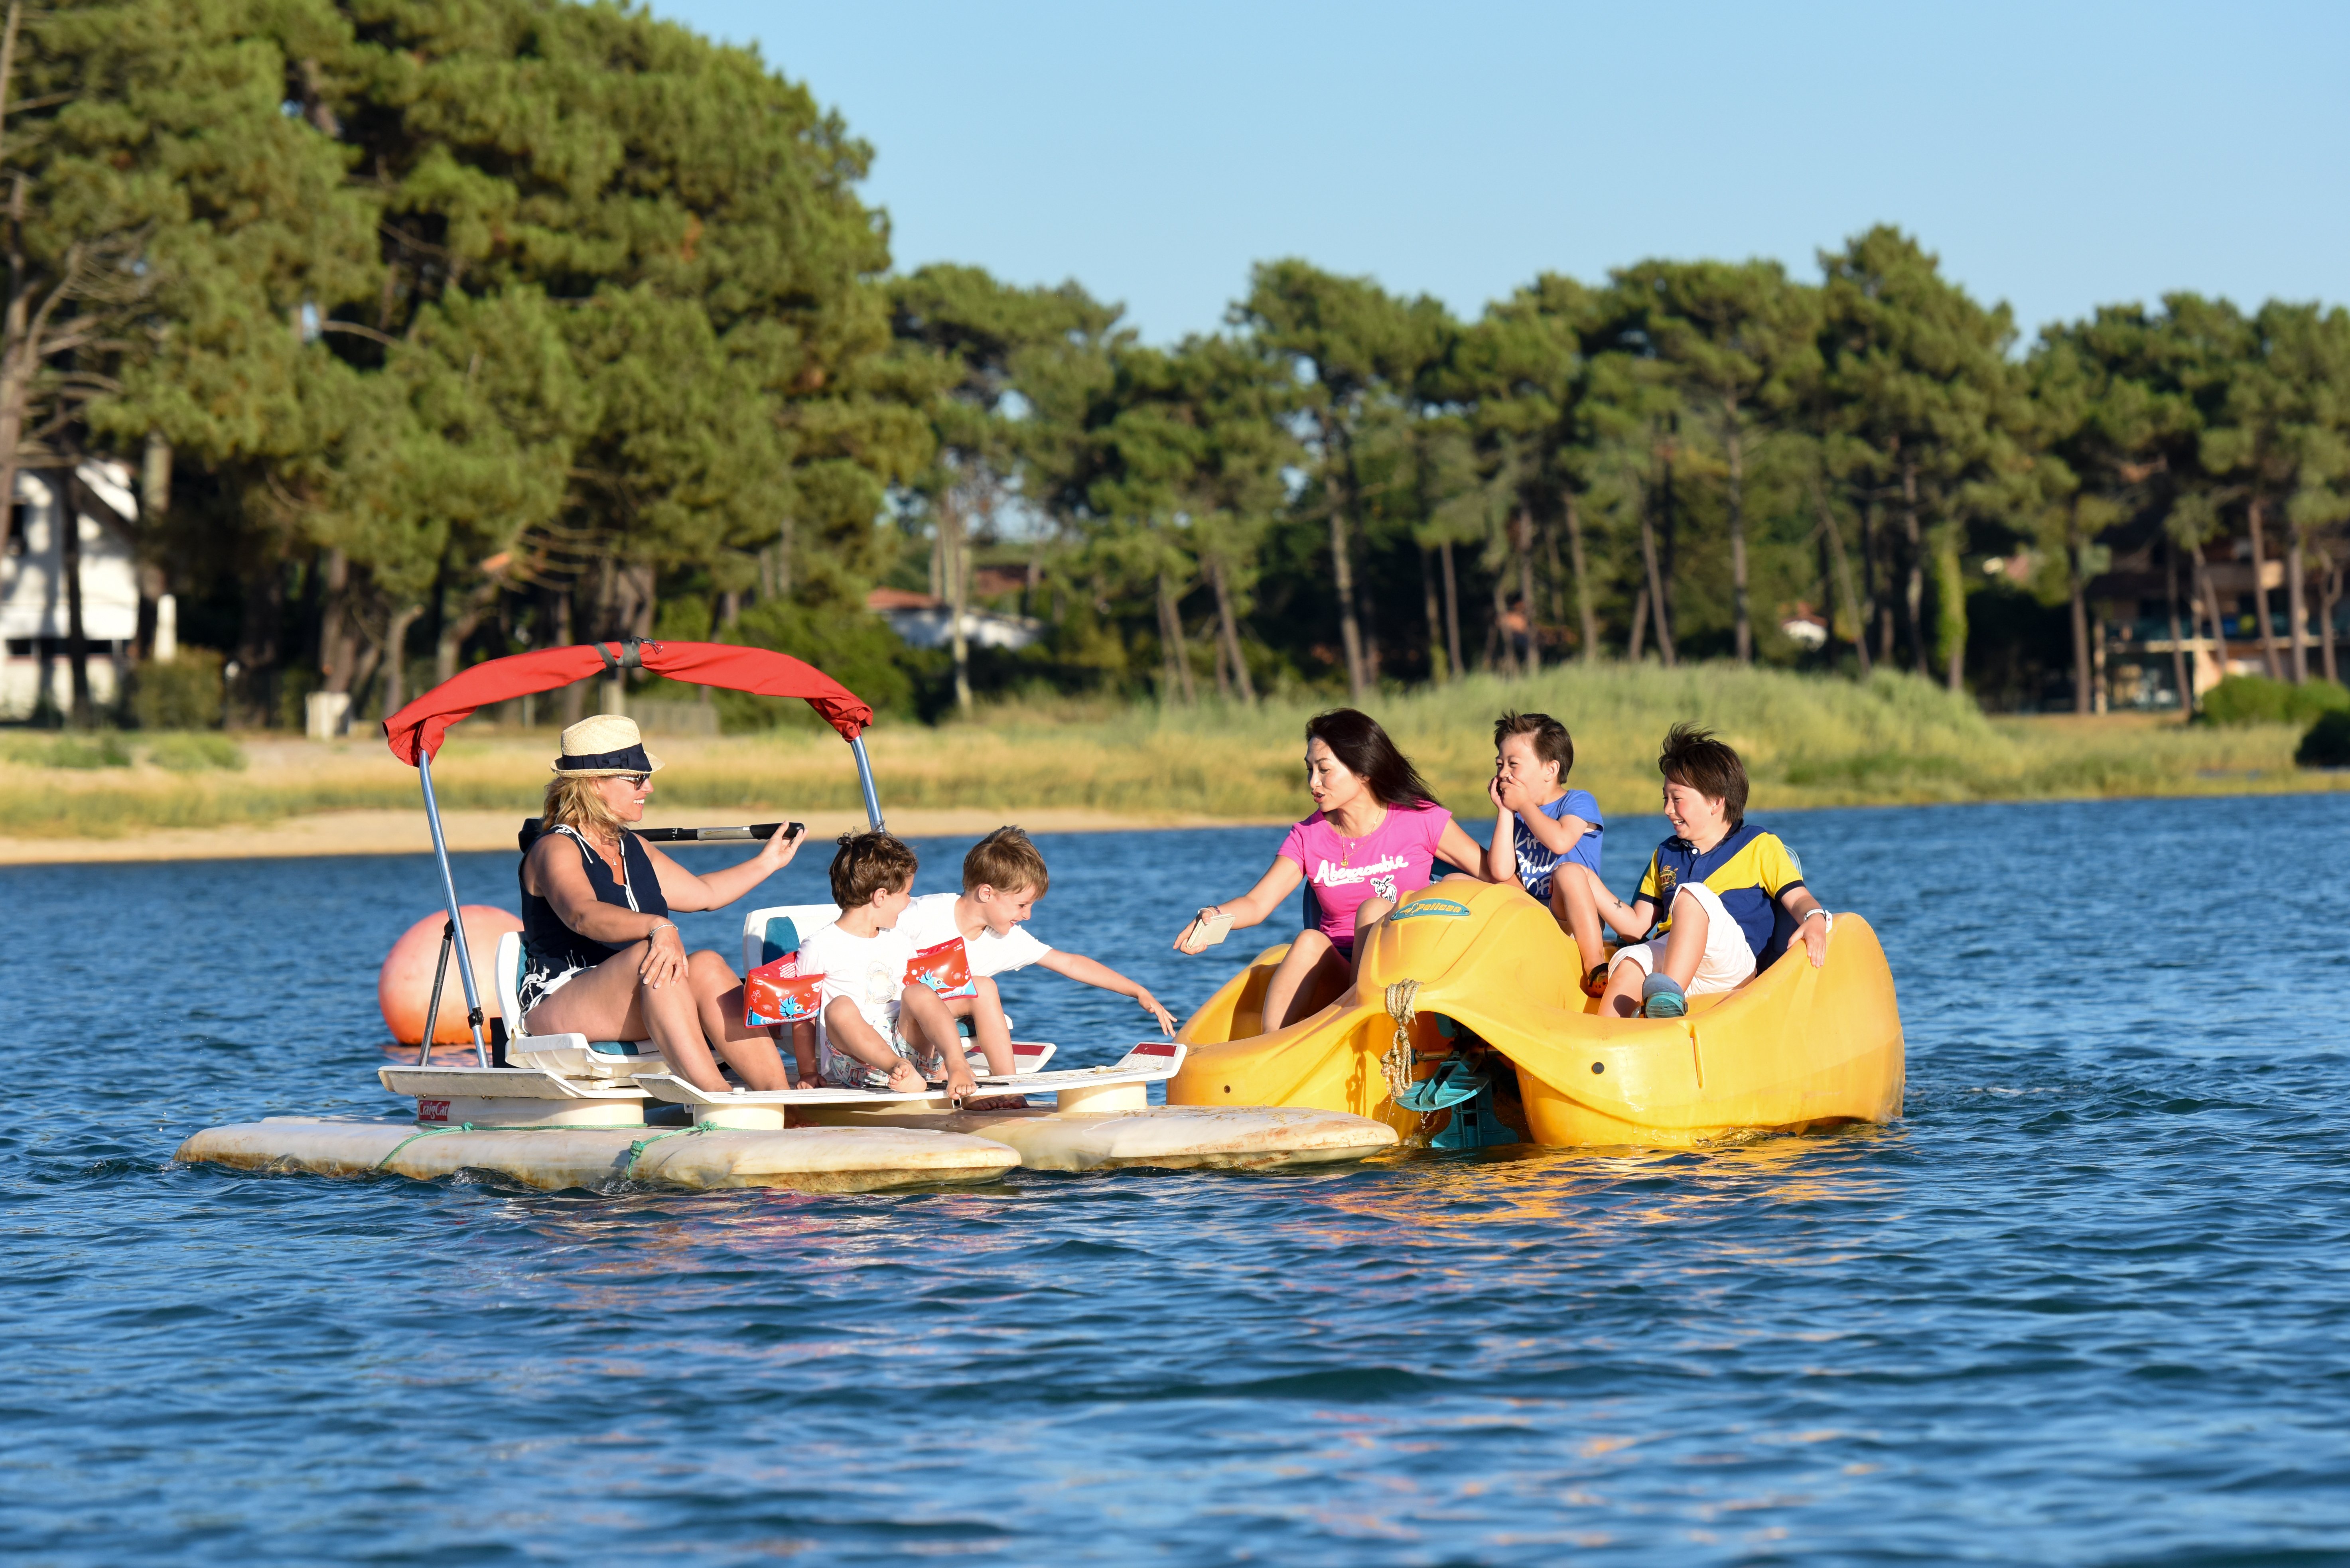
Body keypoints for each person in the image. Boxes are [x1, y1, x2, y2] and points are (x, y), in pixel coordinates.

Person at [517, 714, 805, 1093]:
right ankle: (714, 1097)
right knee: (653, 956)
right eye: (637, 778)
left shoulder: (634, 846)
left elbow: (705, 893)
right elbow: (581, 914)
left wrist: (768, 862)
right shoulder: (553, 848)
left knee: (707, 965)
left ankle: (782, 1100)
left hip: (639, 990)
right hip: (561, 997)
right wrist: (658, 927)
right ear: (594, 784)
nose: (649, 788)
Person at [1172, 708, 1489, 1032]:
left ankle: (1363, 1024)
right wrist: (1213, 916)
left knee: (1375, 909)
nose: (1313, 783)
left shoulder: (1422, 819)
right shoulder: (1308, 835)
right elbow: (1257, 904)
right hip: (1341, 978)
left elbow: (1493, 873)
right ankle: (1272, 1050)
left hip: (1408, 974)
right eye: (1310, 770)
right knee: (1309, 940)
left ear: (1363, 771)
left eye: (1324, 770)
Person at [1568, 723, 1832, 1019]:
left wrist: (1815, 918)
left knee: (1692, 896)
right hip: (1674, 962)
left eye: (1677, 799)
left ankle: (1666, 1002)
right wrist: (1586, 880)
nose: (1668, 809)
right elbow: (1636, 927)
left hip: (1731, 967)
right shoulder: (1666, 853)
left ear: (1716, 801)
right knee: (1630, 961)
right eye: (1665, 799)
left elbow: (1798, 899)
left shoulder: (1759, 845)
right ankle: (1606, 1042)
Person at [895, 827, 1179, 1064]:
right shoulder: (920, 915)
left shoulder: (1007, 938)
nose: (1027, 916)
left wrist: (1138, 992)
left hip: (939, 1046)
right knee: (965, 990)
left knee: (983, 990)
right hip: (894, 1036)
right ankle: (945, 1072)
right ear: (986, 893)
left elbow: (1069, 963)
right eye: (1021, 905)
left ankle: (1009, 1090)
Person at [797, 830, 978, 1106]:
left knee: (918, 992)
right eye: (906, 893)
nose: (909, 901)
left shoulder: (899, 940)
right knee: (840, 1007)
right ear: (881, 896)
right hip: (860, 1062)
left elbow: (919, 1007)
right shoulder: (819, 946)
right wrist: (808, 1071)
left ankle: (956, 1064)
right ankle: (899, 1069)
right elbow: (803, 1016)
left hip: (909, 1045)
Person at [1483, 711, 1608, 986]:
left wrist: (1524, 806)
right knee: (1460, 881)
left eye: (1513, 765)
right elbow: (1501, 871)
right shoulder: (1515, 814)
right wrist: (1505, 811)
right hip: (1537, 917)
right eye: (1500, 764)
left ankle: (1595, 964)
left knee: (1569, 874)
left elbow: (1561, 841)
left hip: (1574, 919)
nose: (1503, 774)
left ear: (1550, 770)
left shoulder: (1578, 802)